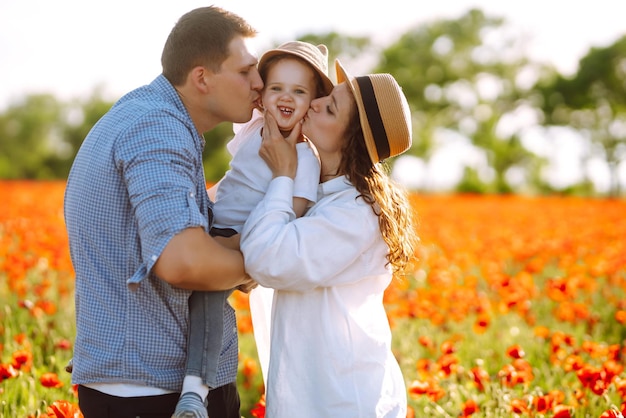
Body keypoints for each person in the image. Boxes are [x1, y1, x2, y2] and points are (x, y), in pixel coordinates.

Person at [63, 6, 260, 418]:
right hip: (153, 391)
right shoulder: (157, 127)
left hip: (137, 381)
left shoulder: (143, 115)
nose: (259, 84)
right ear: (202, 77)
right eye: (246, 71)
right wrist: (262, 261)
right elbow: (183, 261)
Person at [240, 59, 417, 418]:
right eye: (325, 96)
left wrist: (282, 175)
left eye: (330, 107)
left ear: (351, 139)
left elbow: (266, 260)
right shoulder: (321, 193)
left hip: (343, 402)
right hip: (318, 394)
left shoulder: (355, 212)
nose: (315, 103)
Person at [174, 41, 334, 418]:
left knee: (209, 298)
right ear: (262, 96)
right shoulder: (253, 127)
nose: (285, 97)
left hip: (239, 239)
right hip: (207, 218)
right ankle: (108, 353)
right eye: (277, 88)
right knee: (157, 259)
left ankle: (195, 391)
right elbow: (245, 82)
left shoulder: (306, 160)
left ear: (312, 103)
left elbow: (289, 218)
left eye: (299, 91)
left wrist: (242, 251)